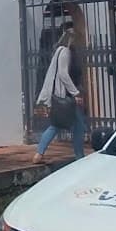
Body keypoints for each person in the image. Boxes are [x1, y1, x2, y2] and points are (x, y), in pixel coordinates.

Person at [32, 24, 85, 164]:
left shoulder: (59, 51)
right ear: (71, 40)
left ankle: (39, 154)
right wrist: (76, 93)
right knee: (78, 126)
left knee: (57, 125)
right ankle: (79, 156)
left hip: (63, 95)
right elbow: (63, 74)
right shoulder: (65, 52)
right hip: (64, 96)